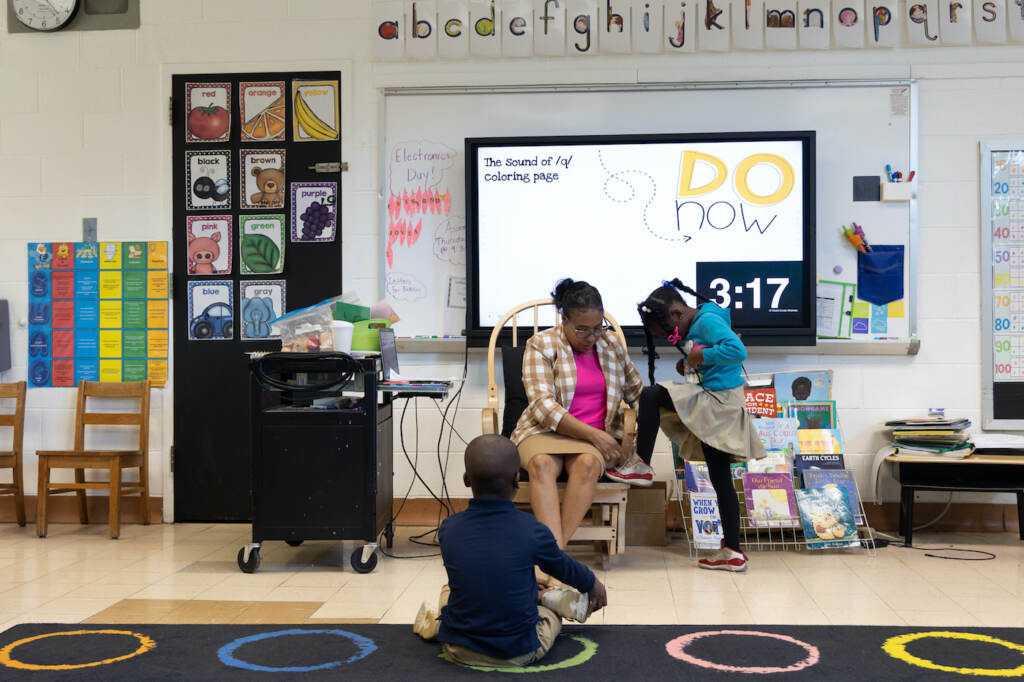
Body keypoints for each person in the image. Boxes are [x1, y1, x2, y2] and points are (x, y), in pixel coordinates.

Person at [413, 434, 608, 668]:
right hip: (518, 652)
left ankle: (440, 623)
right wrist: (592, 584)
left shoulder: (448, 528)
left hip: (459, 647)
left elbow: (480, 565)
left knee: (449, 590)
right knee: (551, 616)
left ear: (466, 480)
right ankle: (540, 599)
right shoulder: (532, 529)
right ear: (517, 480)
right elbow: (563, 567)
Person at [510, 278, 647, 561]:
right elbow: (542, 407)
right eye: (582, 330)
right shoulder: (541, 345)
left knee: (585, 464)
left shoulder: (612, 346)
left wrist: (643, 432)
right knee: (541, 464)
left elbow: (638, 394)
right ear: (564, 319)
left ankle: (552, 558)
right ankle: (556, 559)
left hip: (595, 439)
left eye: (598, 328)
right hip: (541, 432)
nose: (592, 337)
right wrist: (594, 436)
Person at [634, 279, 766, 572]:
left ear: (678, 314)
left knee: (651, 394)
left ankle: (641, 464)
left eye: (670, 331)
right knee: (721, 480)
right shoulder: (702, 321)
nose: (672, 337)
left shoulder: (705, 320)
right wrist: (693, 363)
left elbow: (736, 350)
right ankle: (733, 550)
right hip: (718, 403)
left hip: (719, 404)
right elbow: (719, 358)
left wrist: (702, 355)